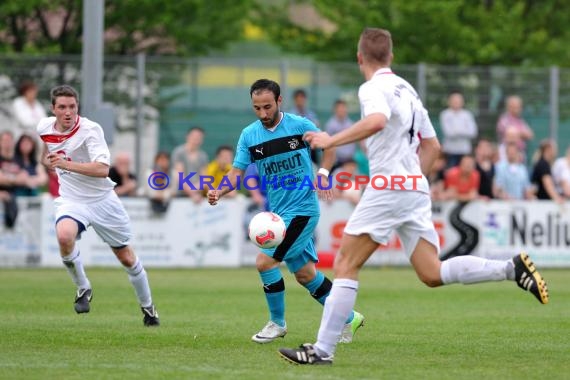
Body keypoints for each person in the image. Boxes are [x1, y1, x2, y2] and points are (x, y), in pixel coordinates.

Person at [278, 27, 549, 366]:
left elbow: (377, 121)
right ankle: (511, 269)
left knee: (347, 263)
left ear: (360, 57)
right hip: (414, 186)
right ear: (390, 56)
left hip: (390, 185)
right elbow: (433, 146)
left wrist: (330, 141)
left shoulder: (372, 88)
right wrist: (412, 180)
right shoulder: (408, 90)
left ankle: (322, 350)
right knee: (431, 272)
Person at [207, 79, 364, 344]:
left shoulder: (300, 125)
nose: (263, 114)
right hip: (279, 214)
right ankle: (349, 318)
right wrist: (218, 191)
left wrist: (324, 173)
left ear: (280, 101)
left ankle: (277, 323)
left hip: (303, 210)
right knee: (305, 275)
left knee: (264, 262)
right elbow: (236, 173)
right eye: (257, 108)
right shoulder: (249, 135)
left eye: (268, 107)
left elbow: (330, 146)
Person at [38, 85, 159, 326]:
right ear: (53, 109)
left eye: (72, 106)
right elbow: (46, 156)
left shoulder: (91, 130)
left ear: (77, 107)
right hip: (72, 199)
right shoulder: (44, 127)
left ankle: (148, 308)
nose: (68, 112)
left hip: (102, 200)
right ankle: (83, 287)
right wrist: (49, 162)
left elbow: (103, 169)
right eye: (62, 107)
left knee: (125, 257)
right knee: (64, 236)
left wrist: (64, 164)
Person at [439, 91, 478, 168]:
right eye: (454, 101)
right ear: (449, 102)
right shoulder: (445, 114)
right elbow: (448, 133)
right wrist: (464, 131)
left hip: (464, 150)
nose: (456, 103)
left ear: (462, 102)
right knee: (450, 173)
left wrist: (456, 131)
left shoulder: (467, 115)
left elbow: (473, 132)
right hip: (450, 150)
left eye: (458, 101)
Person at [171, 127, 209, 202]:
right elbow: (180, 176)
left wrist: (196, 191)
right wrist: (192, 194)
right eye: (194, 136)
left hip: (198, 196)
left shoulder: (203, 156)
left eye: (199, 137)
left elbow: (204, 178)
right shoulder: (179, 152)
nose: (196, 139)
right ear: (187, 136)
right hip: (179, 195)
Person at [325, 100, 356, 171]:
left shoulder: (351, 124)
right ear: (335, 110)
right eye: (340, 108)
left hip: (350, 161)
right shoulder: (330, 125)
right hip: (336, 163)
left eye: (343, 108)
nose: (342, 110)